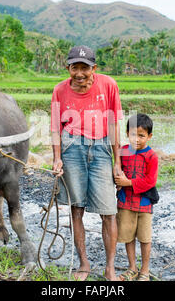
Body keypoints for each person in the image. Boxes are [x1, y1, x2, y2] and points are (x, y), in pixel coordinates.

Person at [51, 45, 123, 281]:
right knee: (76, 208)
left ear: (95, 68)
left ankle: (110, 267)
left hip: (101, 147)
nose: (80, 73)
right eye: (75, 67)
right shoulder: (59, 90)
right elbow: (55, 128)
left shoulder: (109, 85)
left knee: (109, 212)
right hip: (71, 147)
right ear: (68, 68)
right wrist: (57, 157)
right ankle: (84, 263)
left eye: (85, 68)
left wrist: (117, 162)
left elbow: (113, 124)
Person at [114, 113, 159, 281]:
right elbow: (117, 172)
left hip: (144, 204)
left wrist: (128, 183)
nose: (137, 139)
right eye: (133, 134)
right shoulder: (122, 152)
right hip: (125, 203)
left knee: (145, 238)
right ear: (127, 133)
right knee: (128, 236)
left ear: (149, 136)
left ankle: (145, 271)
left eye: (142, 135)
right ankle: (132, 268)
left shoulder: (151, 156)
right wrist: (118, 181)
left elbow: (150, 181)